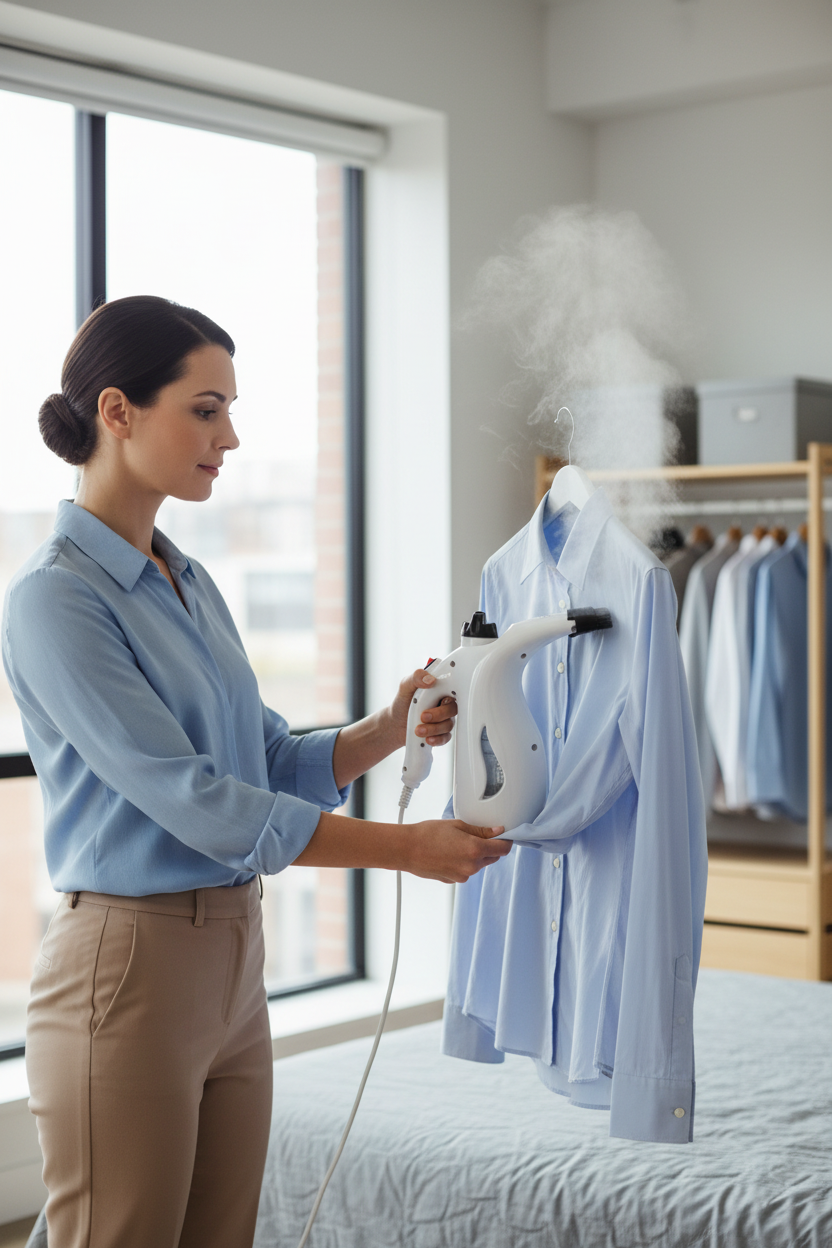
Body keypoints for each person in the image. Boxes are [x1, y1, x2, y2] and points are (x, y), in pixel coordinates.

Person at [1, 296, 510, 1248]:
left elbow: (266, 758)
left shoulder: (188, 581)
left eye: (228, 410)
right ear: (117, 412)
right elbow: (196, 800)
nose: (229, 436)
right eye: (205, 409)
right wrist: (404, 850)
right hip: (130, 964)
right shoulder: (55, 600)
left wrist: (387, 728)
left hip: (233, 959)